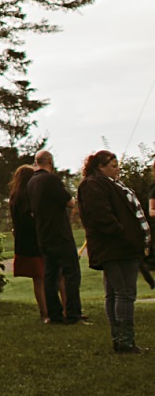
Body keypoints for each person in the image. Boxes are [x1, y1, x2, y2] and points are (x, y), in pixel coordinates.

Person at [76, 150, 151, 354]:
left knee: (115, 293)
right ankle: (125, 341)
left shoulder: (111, 183)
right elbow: (100, 216)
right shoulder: (93, 184)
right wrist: (123, 233)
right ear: (100, 166)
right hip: (115, 248)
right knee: (124, 293)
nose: (117, 169)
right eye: (113, 165)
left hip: (122, 247)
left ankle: (121, 340)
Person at [27, 150, 86, 325]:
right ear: (50, 162)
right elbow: (70, 202)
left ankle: (54, 314)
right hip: (60, 234)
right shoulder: (50, 180)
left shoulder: (31, 182)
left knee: (50, 276)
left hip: (43, 235)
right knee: (71, 274)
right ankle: (73, 314)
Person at [7, 163, 50, 323]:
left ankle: (45, 311)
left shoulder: (14, 197)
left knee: (38, 278)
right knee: (41, 277)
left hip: (25, 243)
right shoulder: (25, 198)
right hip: (34, 242)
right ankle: (46, 312)